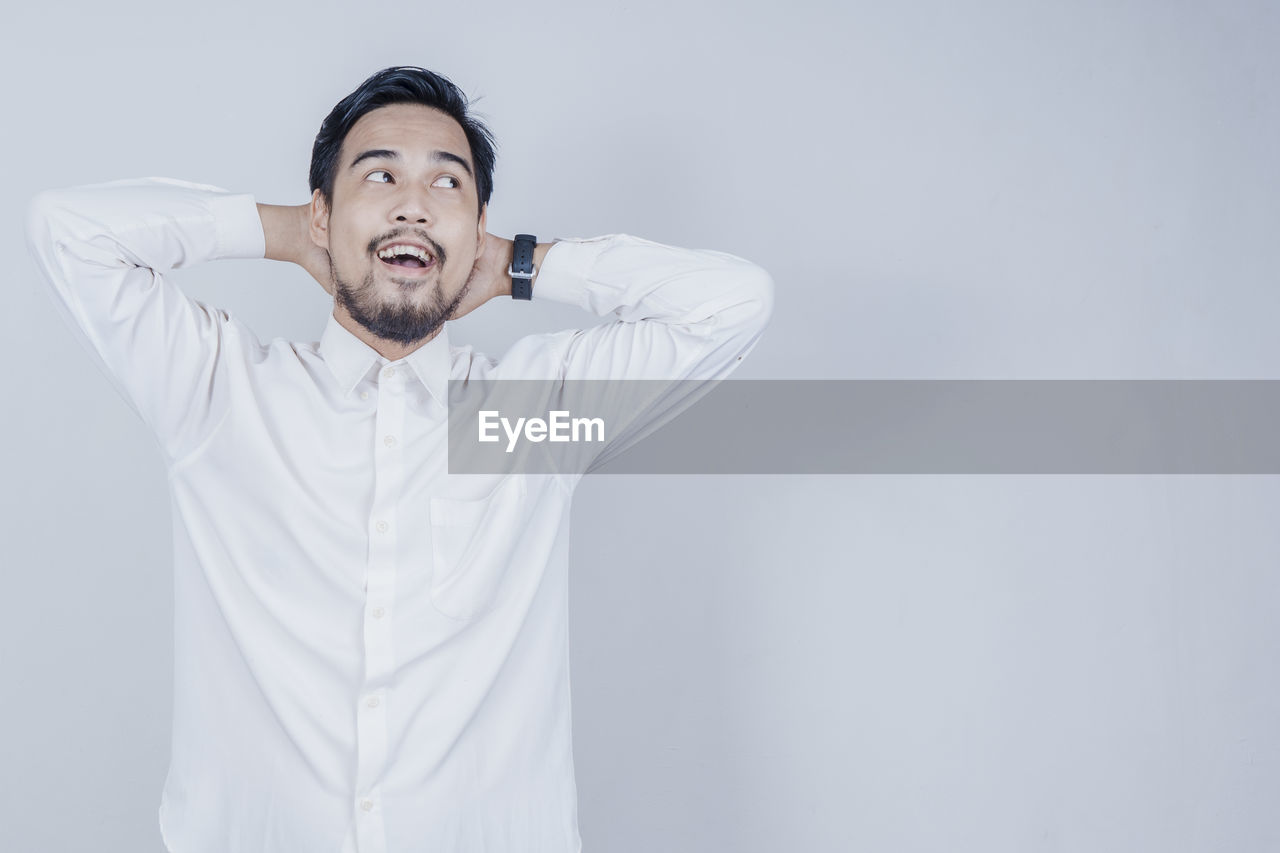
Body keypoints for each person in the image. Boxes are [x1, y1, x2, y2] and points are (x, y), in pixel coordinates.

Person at [24, 66, 772, 853]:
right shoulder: (219, 394)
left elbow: (732, 303)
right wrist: (290, 234)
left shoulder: (524, 422)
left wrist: (519, 264)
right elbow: (67, 231)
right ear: (326, 210)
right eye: (379, 175)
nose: (413, 203)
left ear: (477, 225)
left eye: (446, 184)